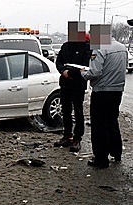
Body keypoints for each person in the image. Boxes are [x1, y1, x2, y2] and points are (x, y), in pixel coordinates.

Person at [81, 24, 128, 168]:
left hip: (101, 91)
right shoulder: (122, 48)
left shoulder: (100, 49)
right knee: (112, 121)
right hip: (117, 91)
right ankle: (116, 152)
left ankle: (101, 159)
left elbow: (94, 72)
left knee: (99, 125)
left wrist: (83, 73)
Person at [54, 21, 92, 152]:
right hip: (65, 84)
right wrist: (62, 71)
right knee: (65, 111)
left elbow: (86, 65)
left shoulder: (87, 47)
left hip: (78, 84)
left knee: (78, 111)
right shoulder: (65, 46)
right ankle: (67, 135)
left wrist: (70, 72)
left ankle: (77, 138)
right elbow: (58, 61)